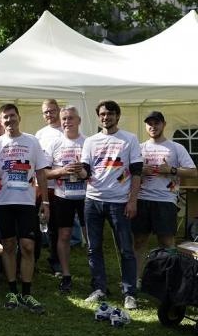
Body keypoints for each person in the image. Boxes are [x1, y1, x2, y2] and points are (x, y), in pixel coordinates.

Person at [0, 103, 49, 314]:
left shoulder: (32, 141)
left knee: (28, 246)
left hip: (26, 202)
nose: (9, 121)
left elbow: (41, 173)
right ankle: (12, 290)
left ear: (18, 117)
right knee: (8, 245)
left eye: (12, 116)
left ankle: (27, 292)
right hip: (3, 201)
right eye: (5, 118)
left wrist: (46, 203)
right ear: (1, 121)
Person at [80, 100, 142, 310]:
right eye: (103, 114)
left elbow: (136, 173)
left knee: (126, 249)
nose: (106, 117)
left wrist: (132, 200)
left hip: (119, 202)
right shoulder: (90, 141)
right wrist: (79, 172)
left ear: (117, 116)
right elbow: (86, 171)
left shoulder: (129, 139)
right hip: (93, 200)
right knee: (93, 248)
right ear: (99, 117)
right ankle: (99, 288)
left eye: (110, 114)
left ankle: (129, 293)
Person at [133, 111, 197, 279]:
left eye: (157, 123)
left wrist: (171, 170)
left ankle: (169, 280)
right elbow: (127, 172)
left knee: (167, 242)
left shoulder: (176, 147)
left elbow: (193, 172)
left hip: (165, 200)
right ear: (146, 126)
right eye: (150, 124)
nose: (153, 127)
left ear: (164, 124)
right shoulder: (139, 148)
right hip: (142, 199)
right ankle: (136, 279)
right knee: (139, 241)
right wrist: (140, 170)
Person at [45, 106, 86, 294]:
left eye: (71, 118)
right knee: (64, 235)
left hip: (88, 197)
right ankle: (66, 275)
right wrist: (61, 171)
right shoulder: (55, 143)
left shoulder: (88, 142)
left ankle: (96, 275)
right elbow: (44, 173)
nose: (67, 122)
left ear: (79, 121)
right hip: (63, 196)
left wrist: (84, 173)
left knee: (92, 237)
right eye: (64, 119)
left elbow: (98, 171)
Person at [35, 99, 64, 274]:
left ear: (58, 111)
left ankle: (55, 260)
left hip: (60, 187)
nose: (49, 114)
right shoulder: (40, 134)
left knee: (56, 226)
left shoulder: (65, 131)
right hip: (40, 185)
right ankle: (34, 259)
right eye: (46, 112)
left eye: (52, 111)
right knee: (36, 223)